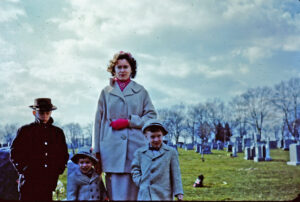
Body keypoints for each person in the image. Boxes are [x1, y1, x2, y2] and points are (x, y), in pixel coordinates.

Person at [92, 51, 157, 200]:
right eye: (118, 67)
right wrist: (96, 150)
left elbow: (151, 117)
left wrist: (129, 122)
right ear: (113, 70)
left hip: (135, 149)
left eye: (125, 67)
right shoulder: (106, 92)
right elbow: (98, 121)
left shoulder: (141, 91)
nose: (122, 71)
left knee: (136, 192)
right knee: (115, 193)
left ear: (132, 69)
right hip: (111, 150)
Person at [10, 98, 69, 201]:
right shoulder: (25, 131)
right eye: (41, 112)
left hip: (49, 180)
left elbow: (63, 154)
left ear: (51, 112)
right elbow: (15, 153)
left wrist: (58, 169)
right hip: (29, 181)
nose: (45, 115)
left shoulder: (57, 133)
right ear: (34, 112)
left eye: (47, 112)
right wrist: (23, 170)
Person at [131, 119, 184, 201]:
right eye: (152, 137)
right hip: (145, 194)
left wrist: (179, 192)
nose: (156, 139)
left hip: (164, 194)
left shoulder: (171, 152)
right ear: (146, 137)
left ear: (163, 135)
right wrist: (140, 181)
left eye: (159, 136)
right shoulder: (140, 153)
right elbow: (135, 169)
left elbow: (176, 174)